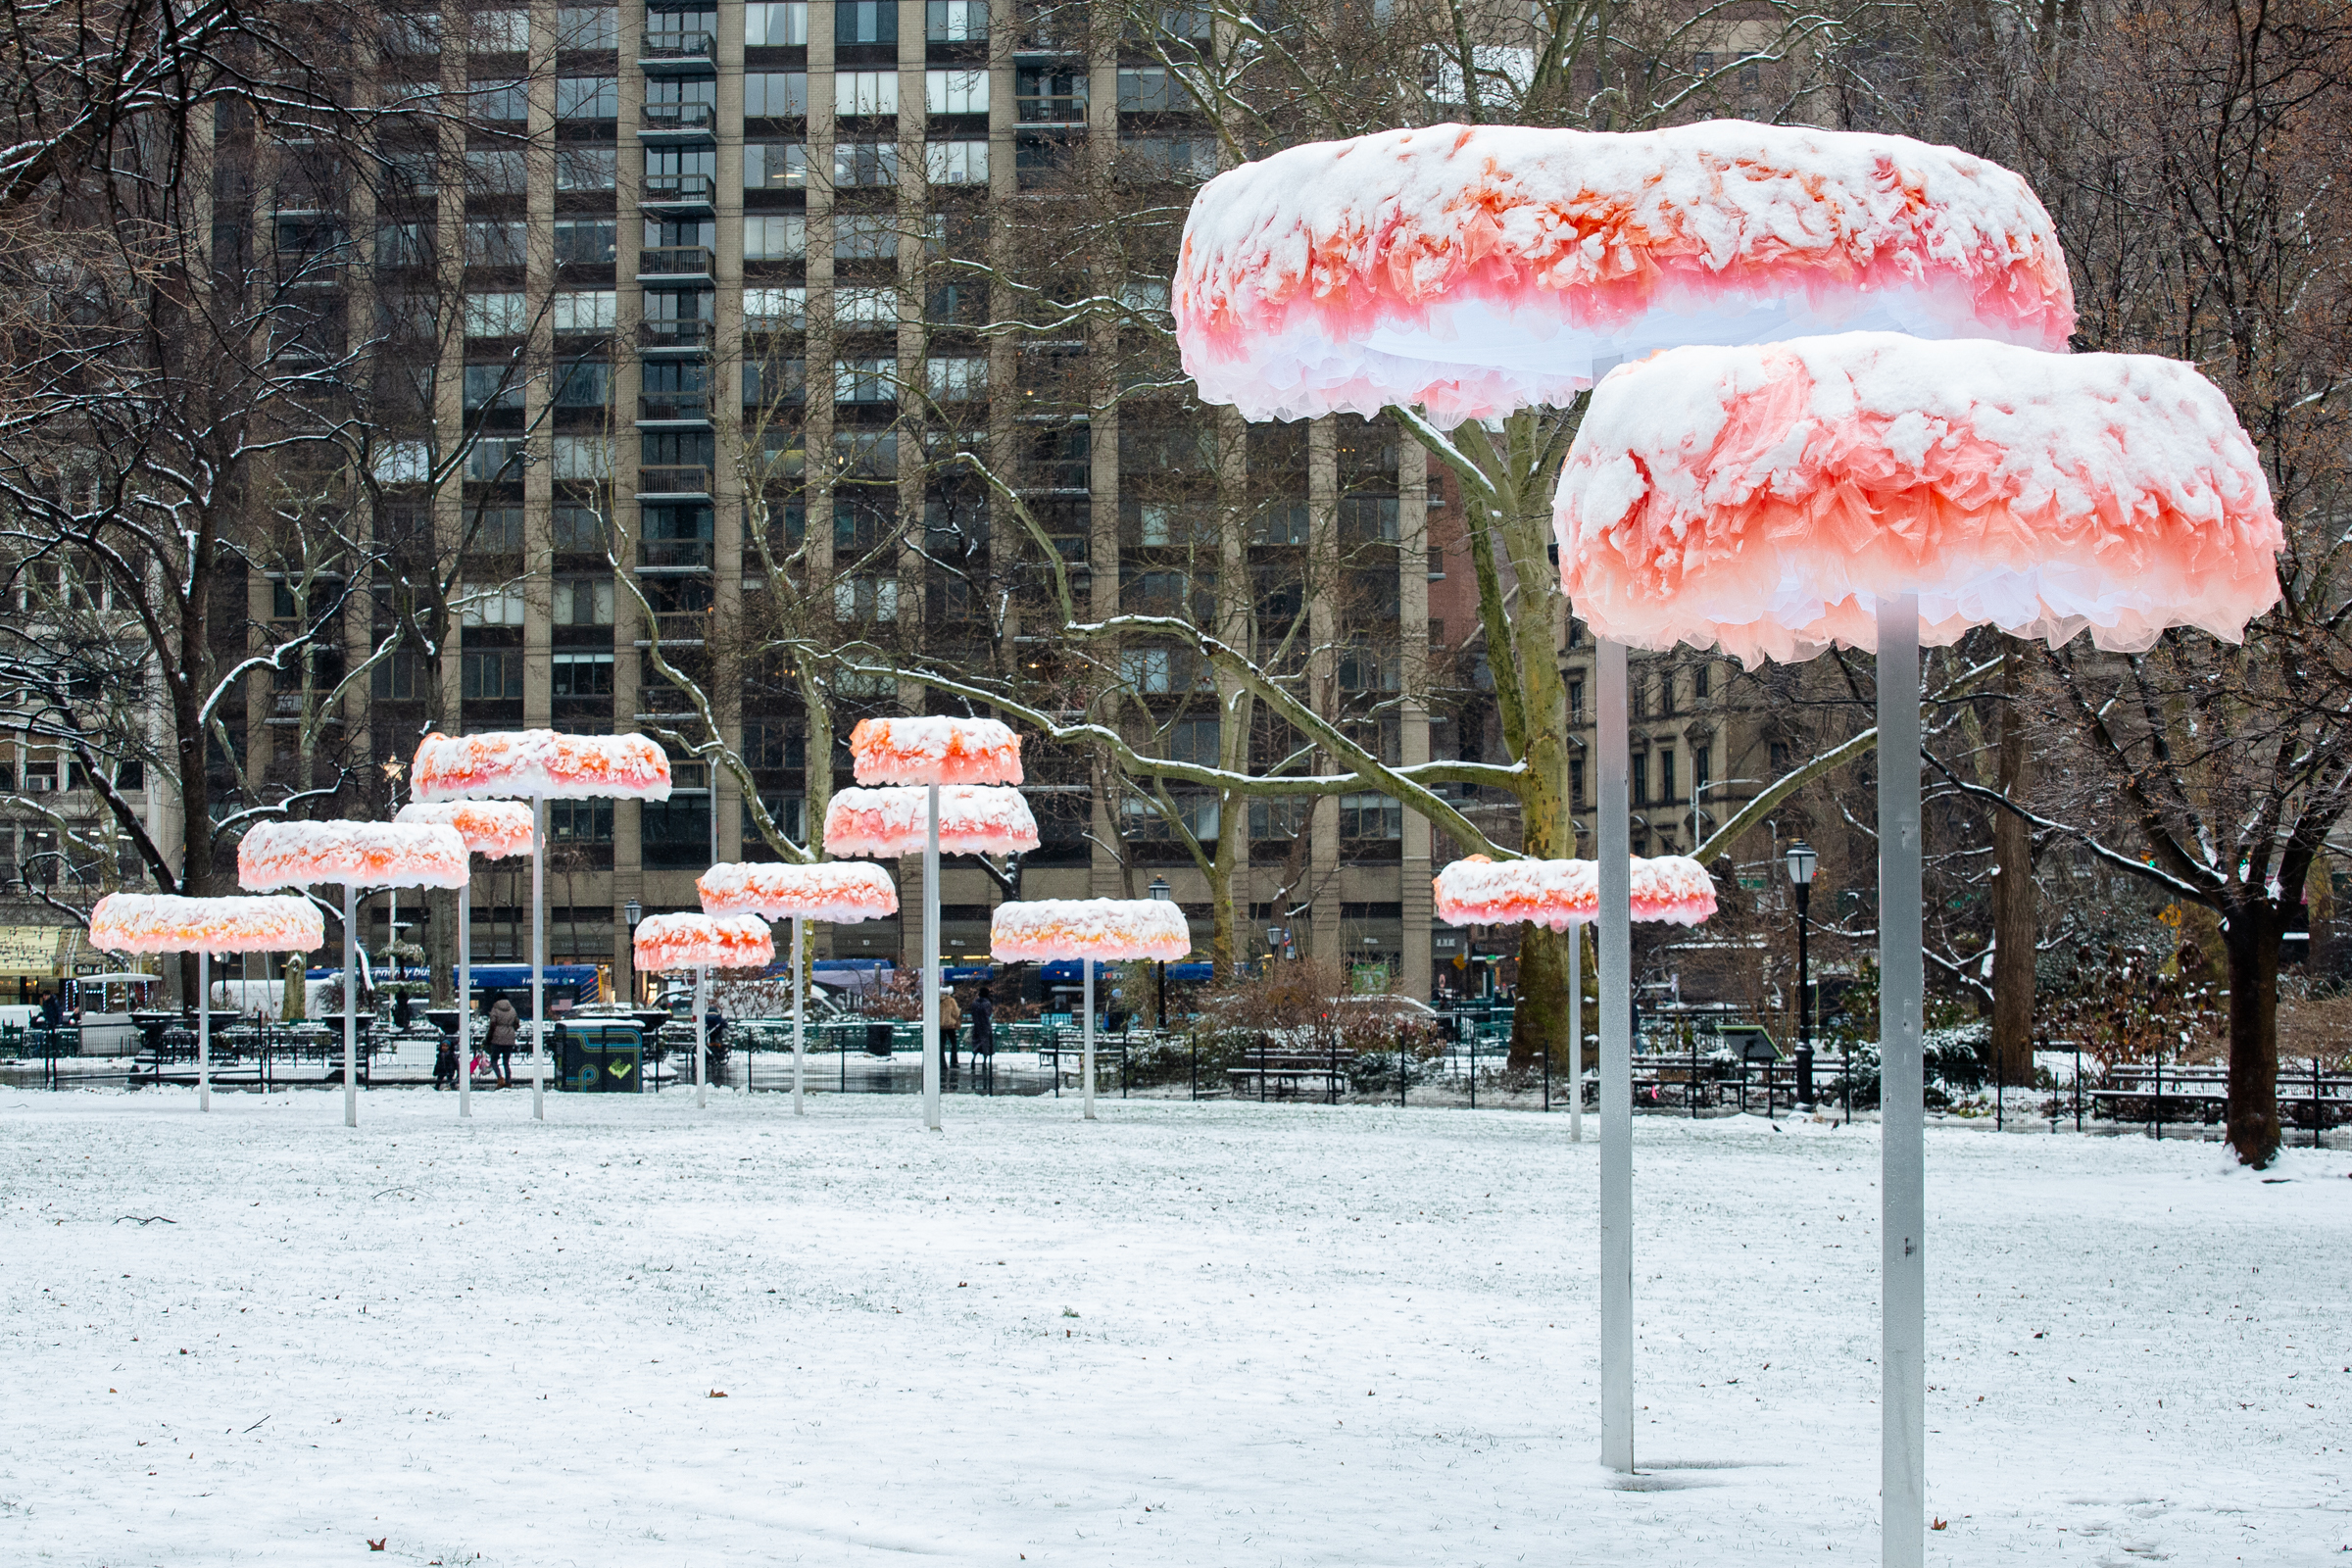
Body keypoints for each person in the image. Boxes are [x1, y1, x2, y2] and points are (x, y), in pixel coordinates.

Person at [486, 995, 519, 1087]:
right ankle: (508, 1082)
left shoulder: (495, 1009)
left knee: (494, 1060)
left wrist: (489, 1037)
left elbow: (492, 1024)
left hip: (497, 1038)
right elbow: (517, 1023)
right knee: (506, 1062)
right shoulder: (512, 1009)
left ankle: (500, 1079)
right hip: (509, 1038)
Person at [968, 988, 995, 1093]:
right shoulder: (987, 1003)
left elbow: (972, 1013)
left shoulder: (974, 1003)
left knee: (976, 1044)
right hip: (985, 1027)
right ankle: (985, 1061)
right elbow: (988, 1014)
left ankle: (974, 1058)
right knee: (985, 1045)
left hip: (976, 1027)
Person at [939, 988, 962, 1074]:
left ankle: (942, 1063)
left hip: (940, 1026)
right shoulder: (951, 1001)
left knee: (941, 1045)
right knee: (954, 1044)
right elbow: (956, 1013)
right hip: (950, 1026)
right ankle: (953, 1062)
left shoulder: (937, 1000)